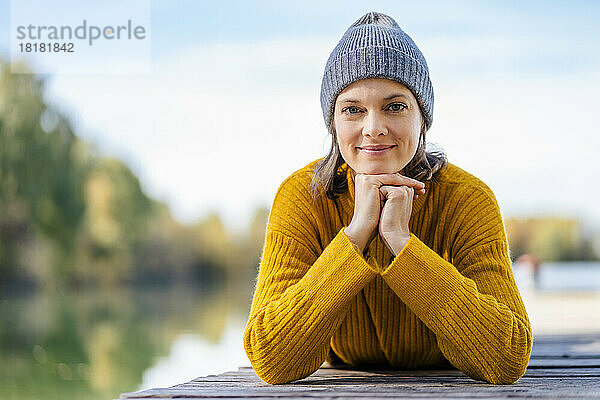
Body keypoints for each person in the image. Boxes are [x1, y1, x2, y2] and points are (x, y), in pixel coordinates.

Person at [243, 11, 532, 385]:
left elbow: (506, 359)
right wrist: (357, 233)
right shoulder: (302, 197)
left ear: (422, 119)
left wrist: (402, 241)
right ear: (333, 123)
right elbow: (272, 359)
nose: (373, 128)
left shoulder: (467, 200)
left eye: (395, 106)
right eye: (353, 110)